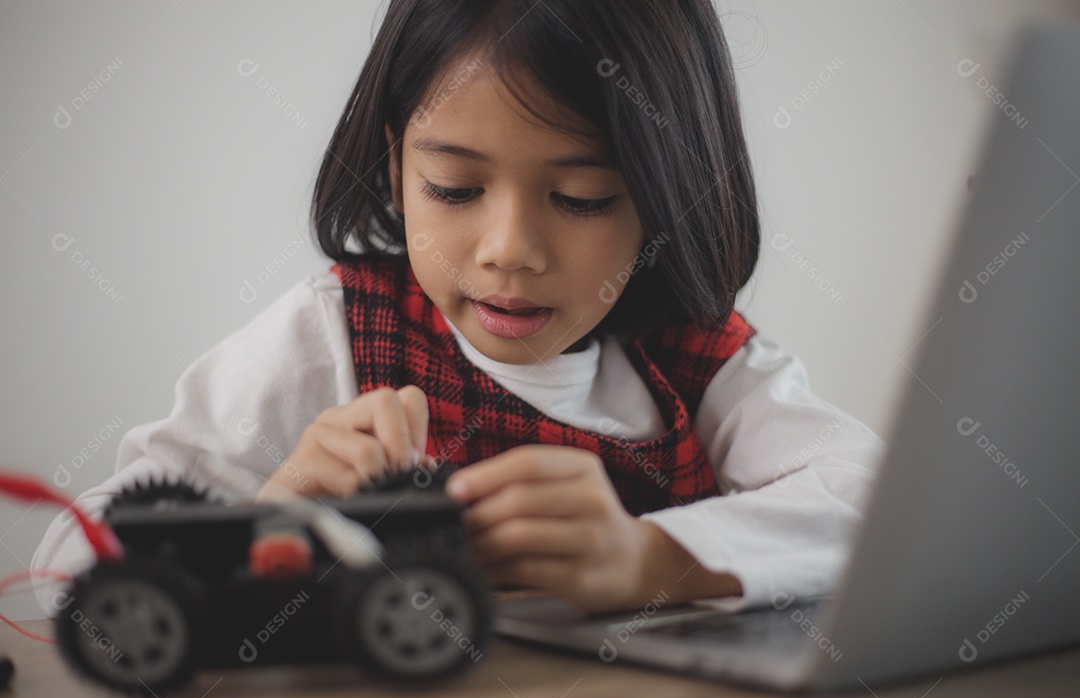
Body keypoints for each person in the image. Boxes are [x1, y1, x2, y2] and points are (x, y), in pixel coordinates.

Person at [33, 0, 883, 616]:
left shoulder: (701, 360)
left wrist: (655, 559)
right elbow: (73, 560)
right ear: (398, 164)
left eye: (583, 197)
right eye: (454, 187)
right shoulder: (332, 336)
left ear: (669, 196)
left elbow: (877, 506)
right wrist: (270, 520)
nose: (509, 248)